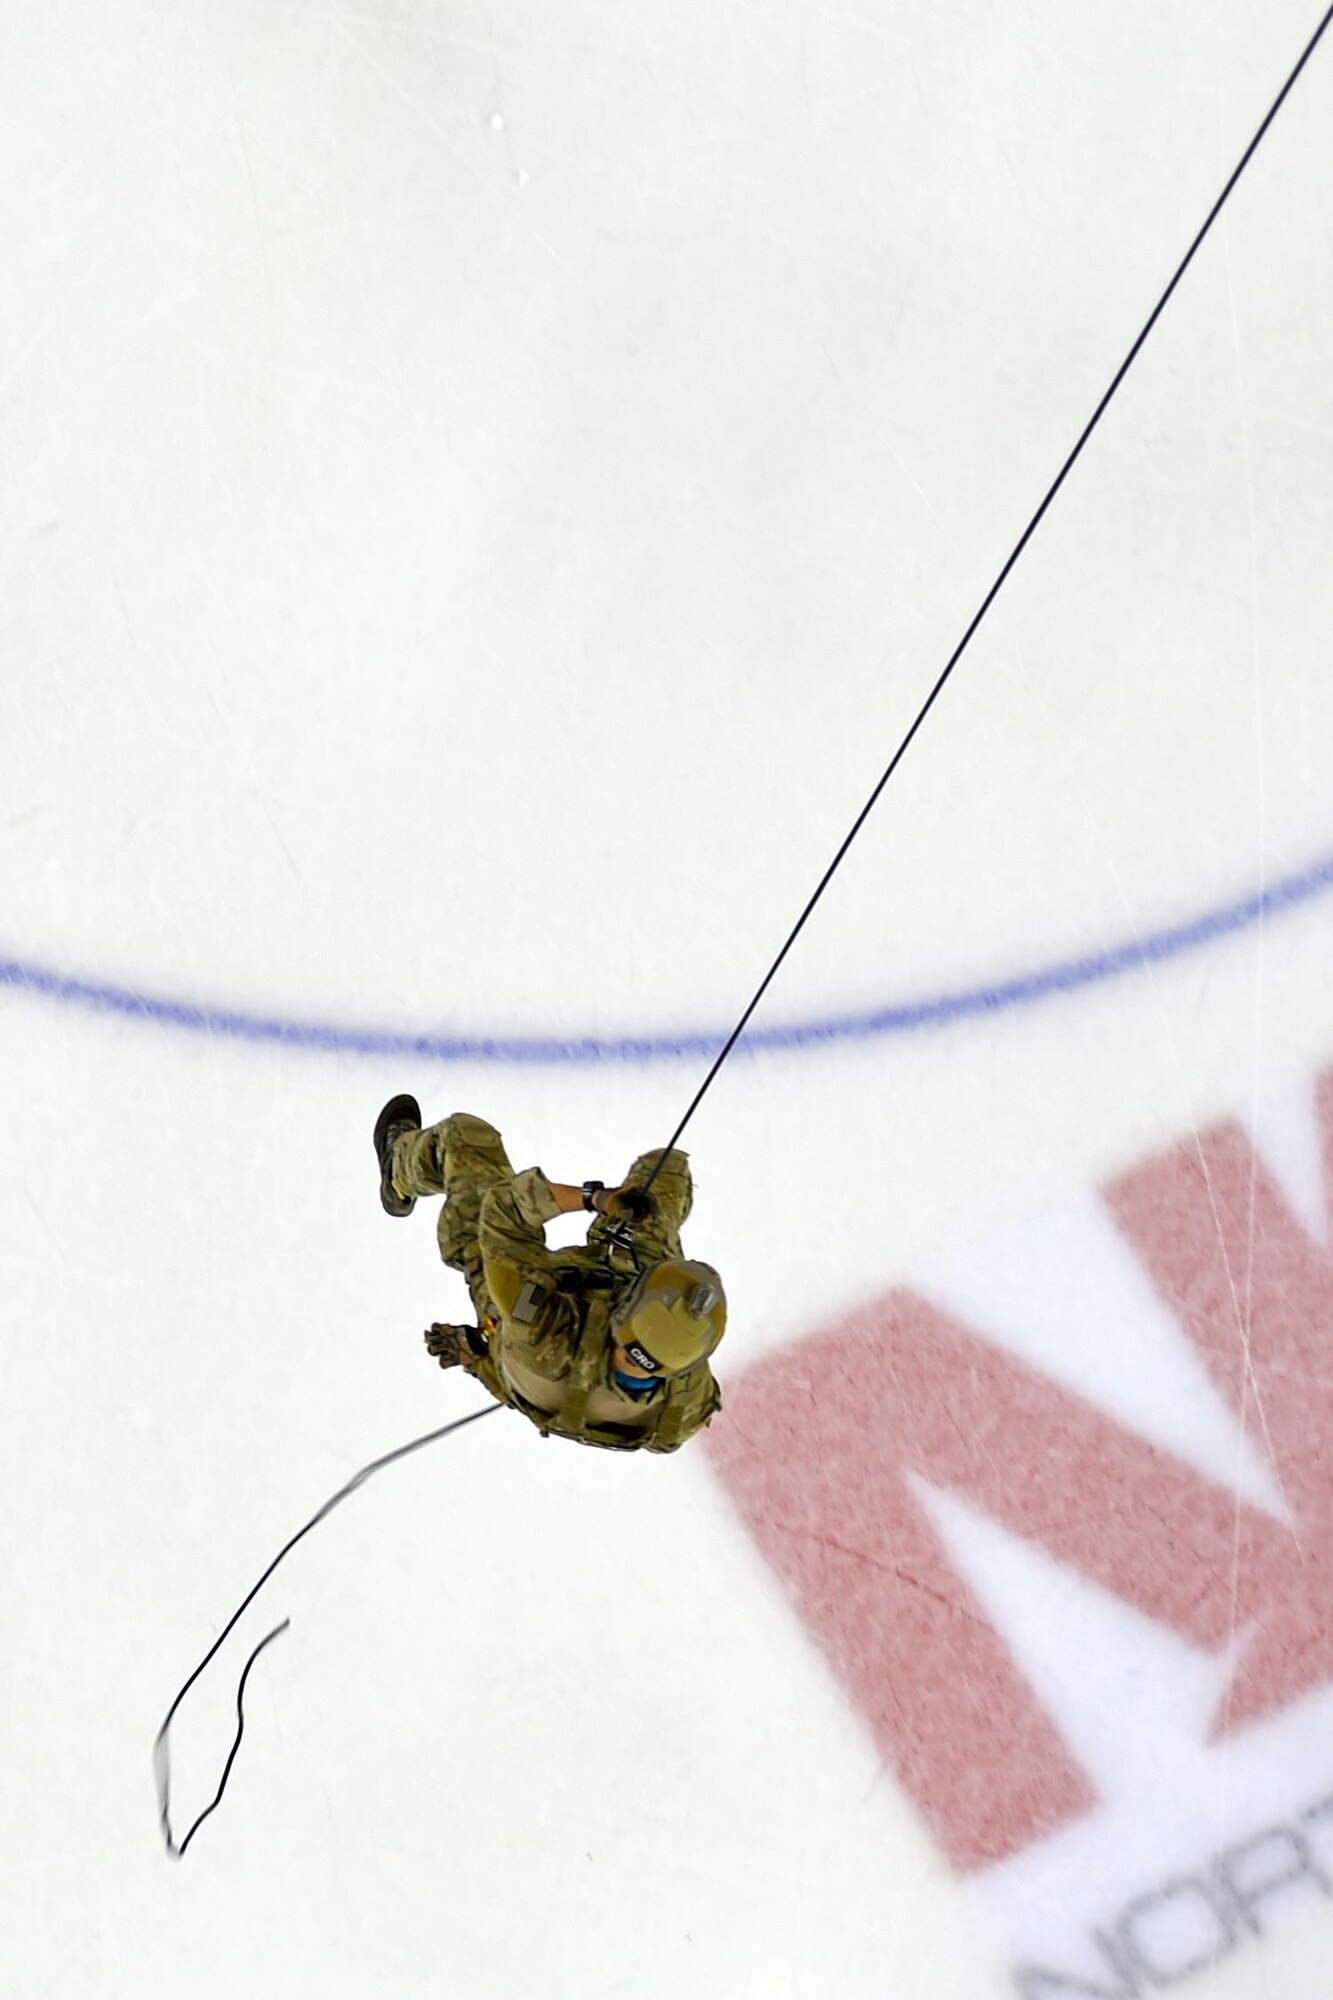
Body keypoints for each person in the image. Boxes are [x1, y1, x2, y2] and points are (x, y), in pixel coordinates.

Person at [372, 1097, 725, 1454]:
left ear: (625, 1312)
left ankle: (398, 1176)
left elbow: (504, 1210)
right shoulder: (686, 1401)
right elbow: (658, 1438)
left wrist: (597, 1199)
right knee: (665, 1172)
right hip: (601, 1297)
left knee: (467, 1139)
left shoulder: (539, 1324)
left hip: (532, 1323)